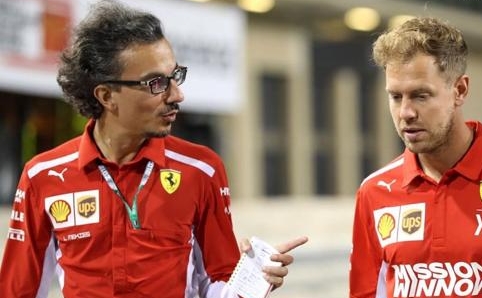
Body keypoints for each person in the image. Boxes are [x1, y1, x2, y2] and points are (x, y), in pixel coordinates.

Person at [0, 0, 308, 297]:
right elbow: (18, 291)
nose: (177, 95)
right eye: (156, 83)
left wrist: (254, 279)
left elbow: (217, 285)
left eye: (175, 76)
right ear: (107, 96)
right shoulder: (43, 176)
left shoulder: (201, 169)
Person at [349, 16, 482, 298]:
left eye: (421, 96)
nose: (406, 112)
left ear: (460, 90)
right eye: (396, 97)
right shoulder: (373, 191)